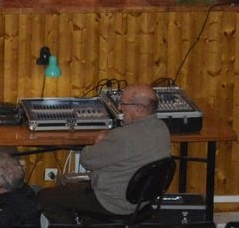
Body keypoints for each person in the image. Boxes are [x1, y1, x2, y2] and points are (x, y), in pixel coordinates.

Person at [37, 83, 171, 224]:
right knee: (70, 189)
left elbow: (87, 160)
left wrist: (99, 142)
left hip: (113, 203)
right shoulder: (162, 129)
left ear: (139, 109)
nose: (120, 108)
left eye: (124, 104)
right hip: (142, 201)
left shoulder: (123, 136)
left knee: (46, 197)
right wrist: (111, 137)